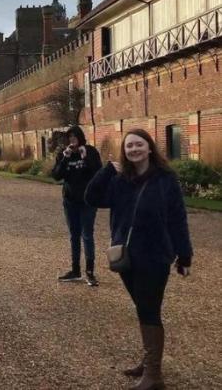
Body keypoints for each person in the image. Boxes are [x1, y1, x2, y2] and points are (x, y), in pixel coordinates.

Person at [85, 128, 193, 390]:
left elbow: (178, 218)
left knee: (148, 308)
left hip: (155, 255)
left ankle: (154, 375)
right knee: (143, 306)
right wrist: (107, 170)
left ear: (149, 148)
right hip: (127, 255)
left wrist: (184, 255)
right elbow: (91, 197)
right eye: (129, 146)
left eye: (139, 145)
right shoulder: (121, 179)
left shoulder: (166, 179)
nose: (134, 150)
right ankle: (149, 363)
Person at [51, 125, 102, 286]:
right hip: (70, 200)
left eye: (75, 137)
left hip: (87, 200)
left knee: (87, 234)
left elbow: (98, 172)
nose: (72, 140)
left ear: (80, 138)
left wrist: (85, 157)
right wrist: (65, 158)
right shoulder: (64, 154)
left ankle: (90, 272)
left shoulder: (90, 151)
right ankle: (75, 270)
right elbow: (56, 176)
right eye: (70, 138)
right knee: (74, 235)